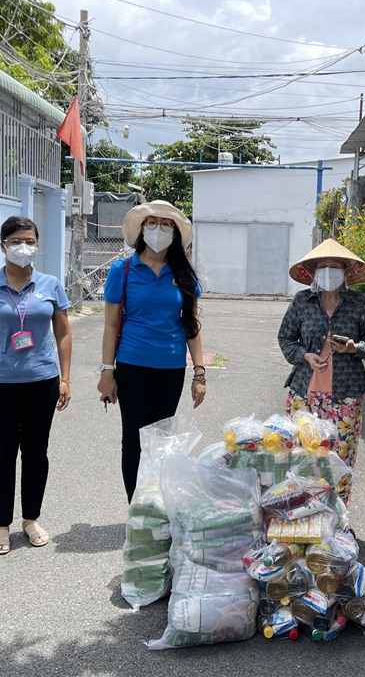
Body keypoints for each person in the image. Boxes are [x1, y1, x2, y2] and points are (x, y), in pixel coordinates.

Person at [0, 216, 72, 555]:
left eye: (28, 241)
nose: (22, 247)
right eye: (15, 242)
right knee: (1, 455)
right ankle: (1, 526)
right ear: (3, 246)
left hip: (42, 381)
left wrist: (65, 378)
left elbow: (64, 332)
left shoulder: (51, 285)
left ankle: (30, 519)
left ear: (37, 245)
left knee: (36, 453)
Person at [96, 200, 205, 503]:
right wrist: (107, 371)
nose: (158, 229)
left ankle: (157, 505)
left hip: (171, 369)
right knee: (134, 440)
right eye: (152, 222)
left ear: (175, 232)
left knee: (162, 441)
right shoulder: (124, 269)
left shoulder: (183, 274)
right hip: (132, 367)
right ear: (142, 229)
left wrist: (199, 374)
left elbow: (192, 327)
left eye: (166, 224)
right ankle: (137, 509)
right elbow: (110, 324)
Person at [277, 239, 365, 504]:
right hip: (304, 394)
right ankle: (302, 515)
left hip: (346, 395)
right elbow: (286, 338)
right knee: (302, 456)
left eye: (335, 266)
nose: (329, 271)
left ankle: (338, 517)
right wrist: (305, 356)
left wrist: (353, 348)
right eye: (323, 267)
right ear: (313, 273)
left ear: (346, 272)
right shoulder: (302, 302)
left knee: (341, 457)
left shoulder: (359, 303)